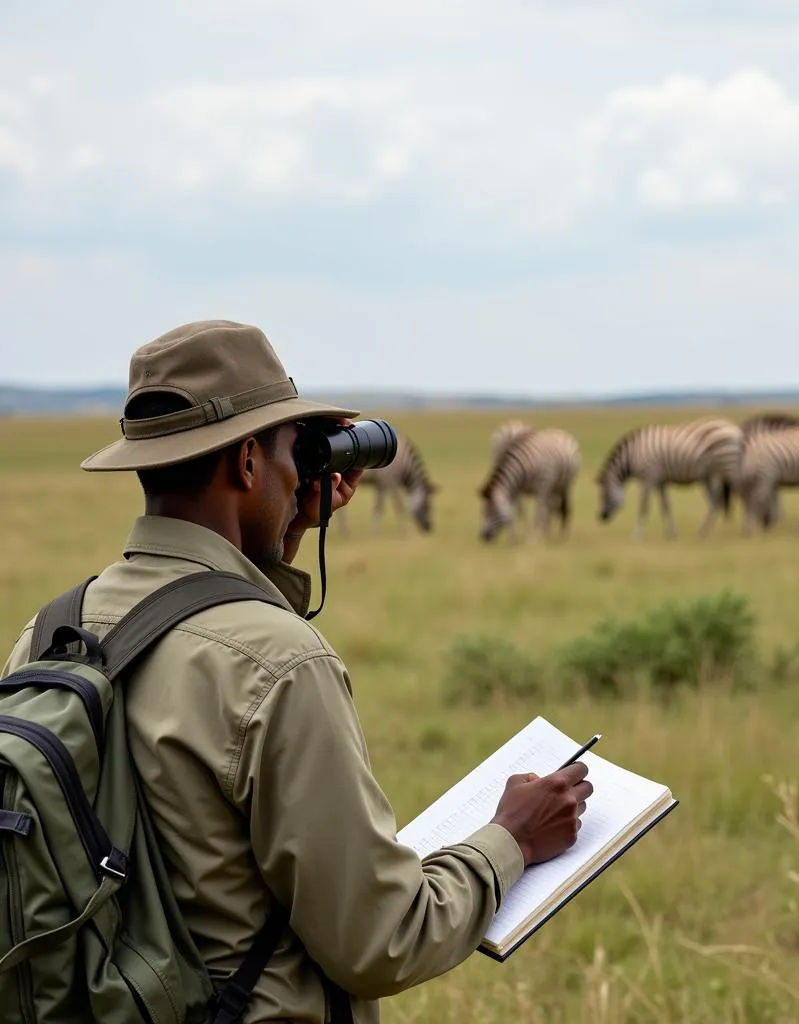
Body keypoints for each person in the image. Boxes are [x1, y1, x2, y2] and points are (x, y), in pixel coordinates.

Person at [1, 320, 592, 1023]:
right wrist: (512, 838)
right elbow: (381, 941)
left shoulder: (50, 631)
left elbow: (201, 624)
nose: (301, 472)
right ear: (247, 462)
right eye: (293, 451)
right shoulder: (281, 663)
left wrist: (283, 530)